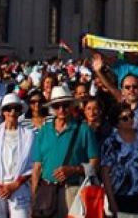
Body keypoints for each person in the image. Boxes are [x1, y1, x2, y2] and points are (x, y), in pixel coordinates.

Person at [32, 86, 99, 218]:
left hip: (73, 190)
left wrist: (74, 169)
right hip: (47, 191)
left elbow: (95, 164)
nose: (61, 110)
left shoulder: (84, 130)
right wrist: (34, 199)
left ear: (72, 106)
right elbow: (36, 168)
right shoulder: (44, 131)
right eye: (57, 106)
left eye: (65, 105)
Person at [0, 93, 35, 218]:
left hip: (19, 187)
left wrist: (14, 186)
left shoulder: (29, 135)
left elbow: (33, 165)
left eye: (16, 109)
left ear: (20, 112)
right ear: (3, 112)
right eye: (9, 109)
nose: (12, 112)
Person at [101, 104, 138, 215]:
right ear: (117, 122)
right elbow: (105, 173)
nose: (130, 120)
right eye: (124, 118)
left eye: (131, 116)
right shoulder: (111, 142)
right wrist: (111, 200)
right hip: (120, 195)